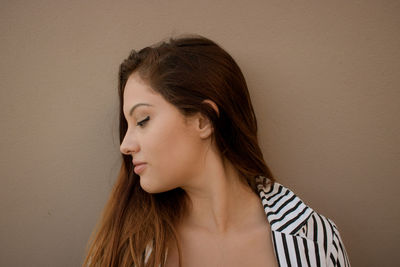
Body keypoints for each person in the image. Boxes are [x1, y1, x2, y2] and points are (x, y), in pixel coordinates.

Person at [82, 34, 351, 267]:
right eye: (127, 126)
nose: (125, 145)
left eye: (142, 120)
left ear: (204, 120)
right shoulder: (121, 248)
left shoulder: (314, 239)